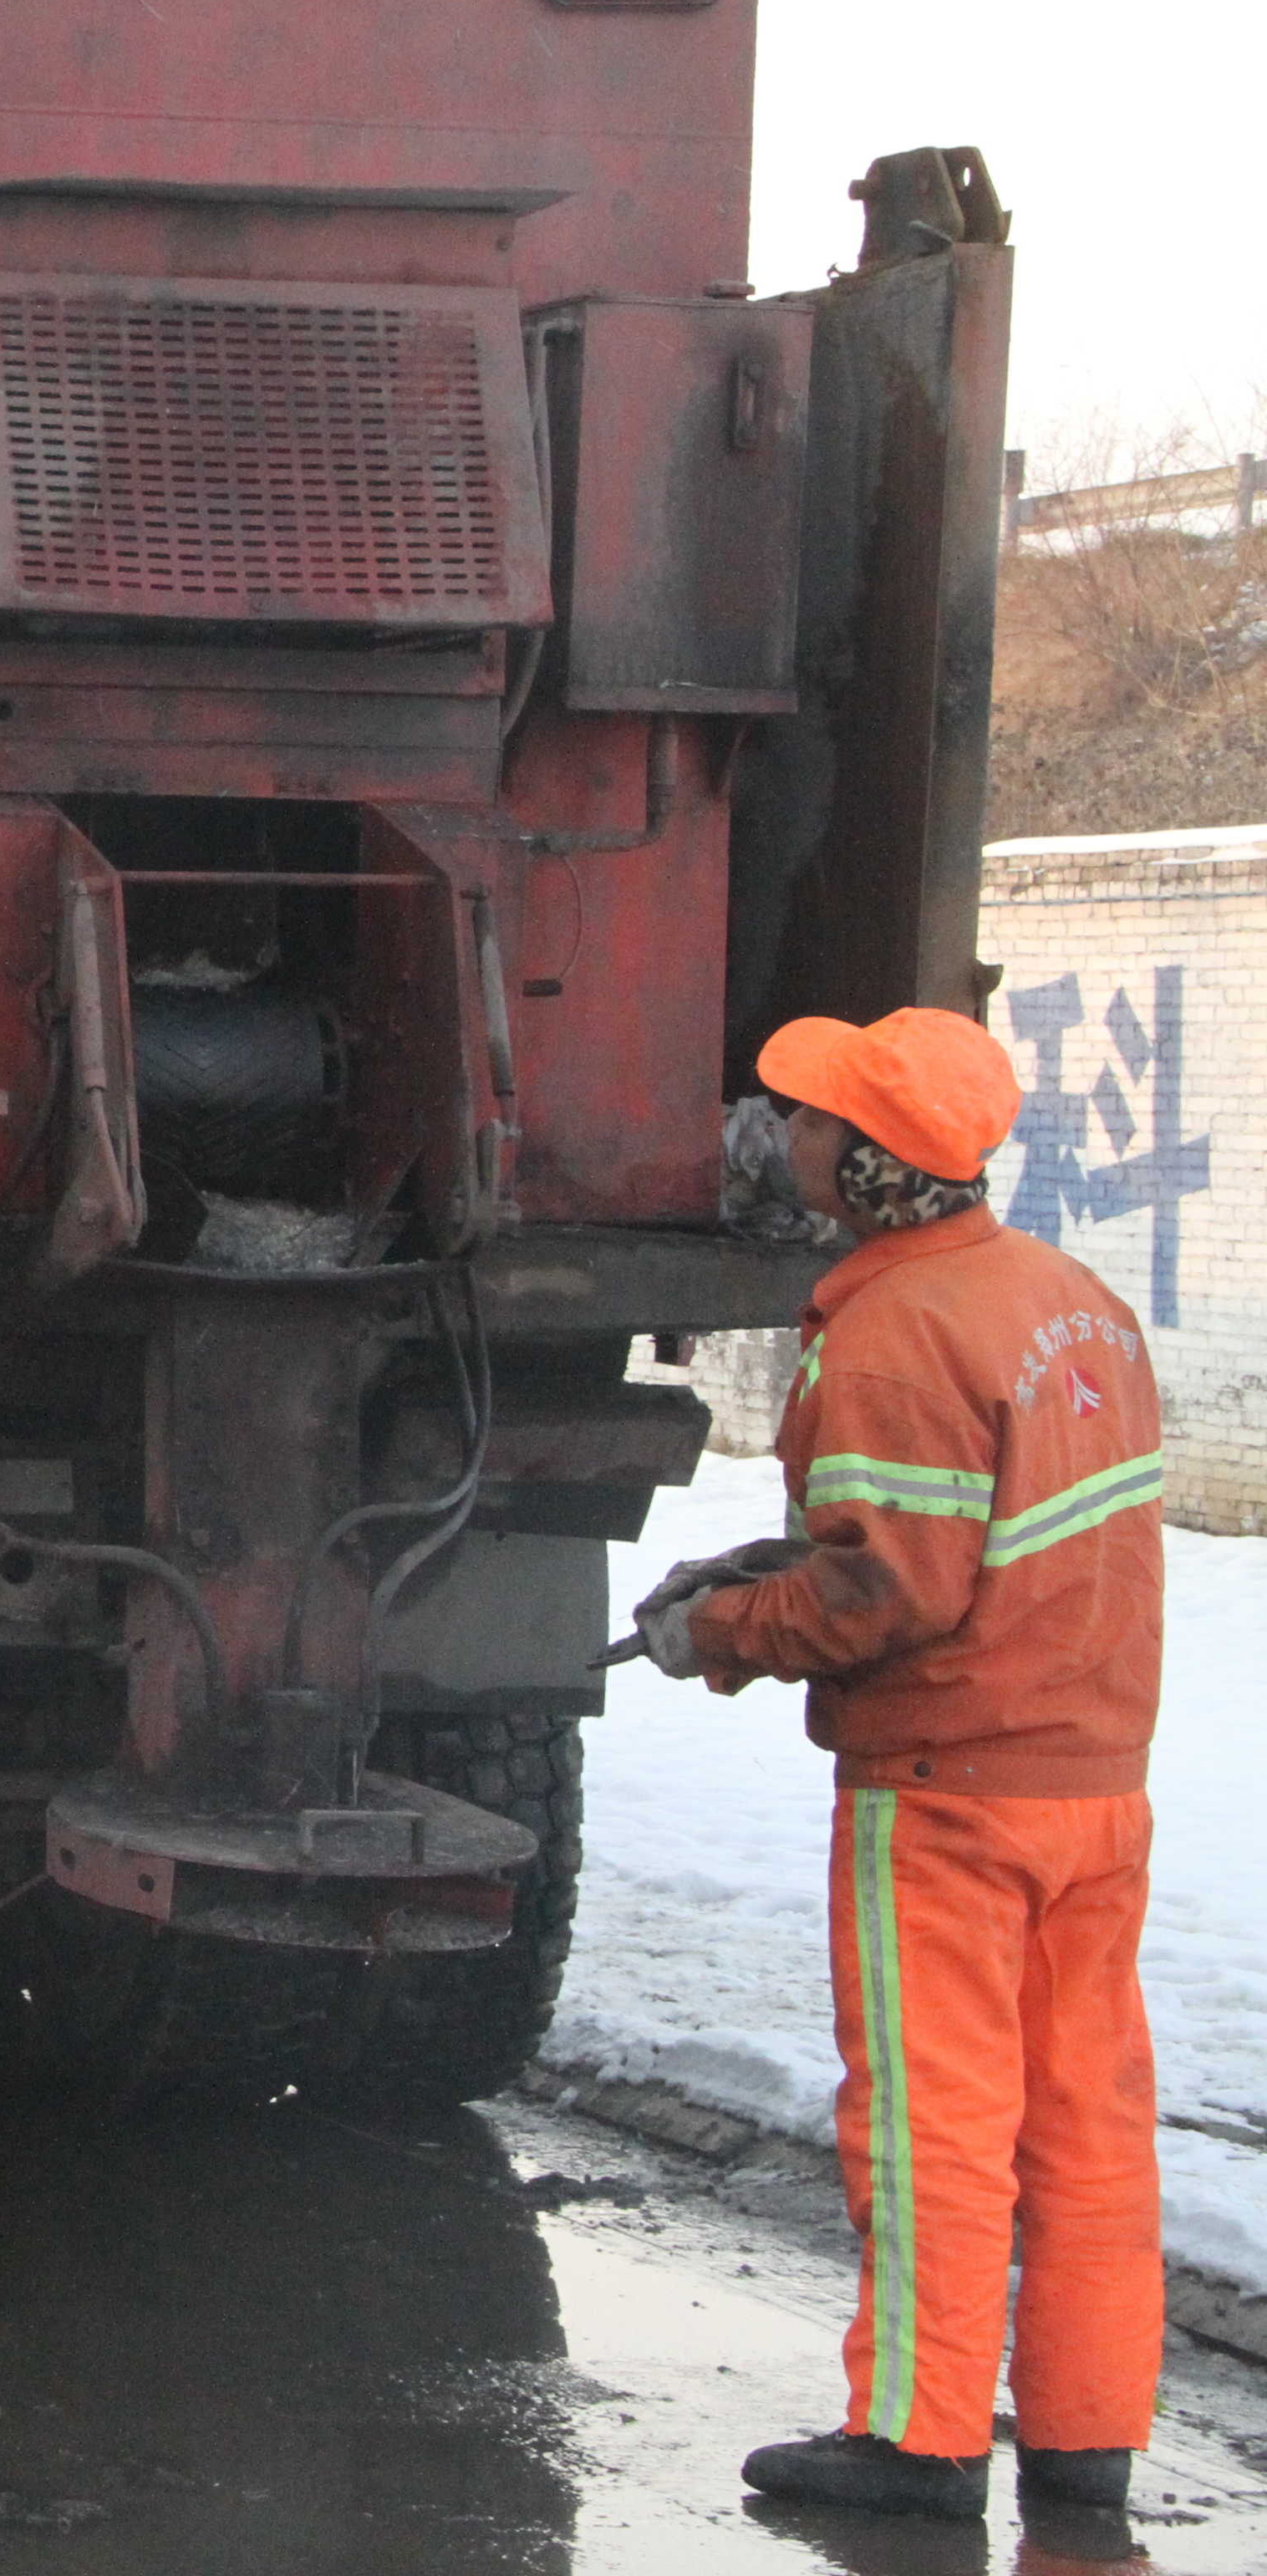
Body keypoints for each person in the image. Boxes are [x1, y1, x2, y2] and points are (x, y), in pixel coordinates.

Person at [628, 1007, 1164, 2523]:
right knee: (1082, 2120)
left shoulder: (887, 1338)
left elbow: (885, 1595)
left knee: (933, 2117)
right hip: (1089, 1783)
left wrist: (716, 1628)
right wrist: (777, 1564)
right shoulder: (1066, 1303)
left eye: (807, 1122)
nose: (782, 1137)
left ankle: (918, 2441)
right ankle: (1081, 2436)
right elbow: (984, 1541)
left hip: (946, 1791)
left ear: (863, 1170)